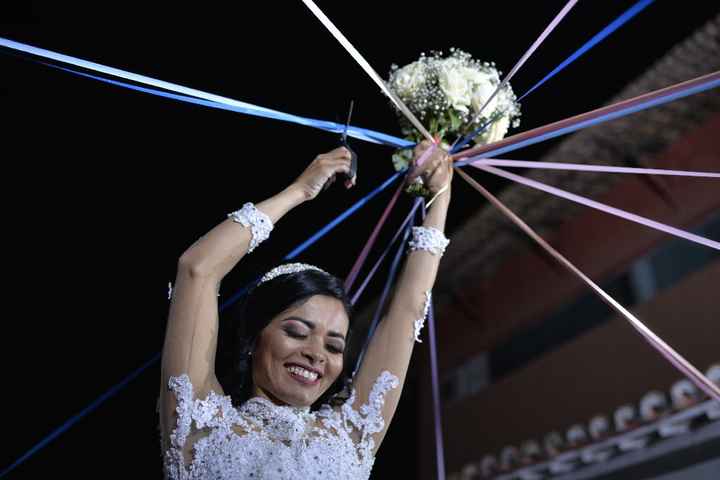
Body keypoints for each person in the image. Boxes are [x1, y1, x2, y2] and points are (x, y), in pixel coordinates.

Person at [158, 140, 452, 479]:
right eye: (296, 332)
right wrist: (299, 191)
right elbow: (197, 270)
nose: (316, 354)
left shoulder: (350, 437)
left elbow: (407, 312)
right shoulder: (200, 424)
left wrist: (440, 196)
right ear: (255, 337)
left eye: (334, 346)